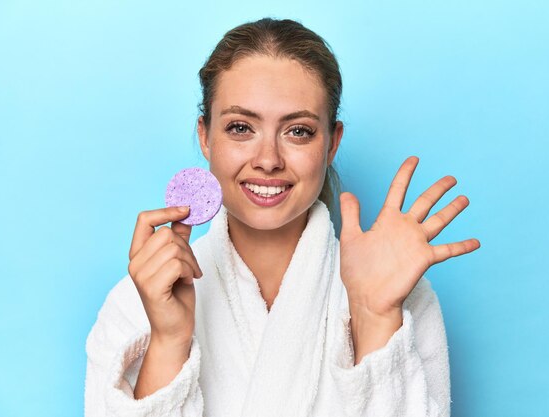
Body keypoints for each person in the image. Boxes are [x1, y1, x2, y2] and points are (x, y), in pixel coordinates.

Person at [84, 17, 480, 417]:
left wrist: (375, 316)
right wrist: (168, 340)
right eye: (241, 128)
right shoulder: (135, 303)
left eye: (299, 131)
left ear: (331, 143)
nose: (268, 160)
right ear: (205, 136)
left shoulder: (401, 293)